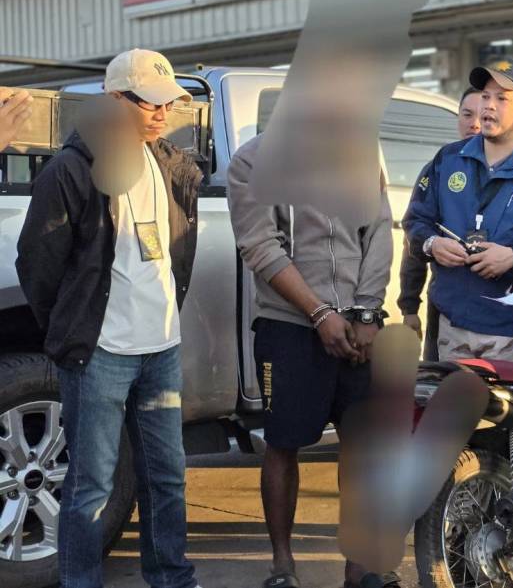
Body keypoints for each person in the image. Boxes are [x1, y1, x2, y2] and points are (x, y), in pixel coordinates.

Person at [17, 49, 202, 588]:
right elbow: (37, 262)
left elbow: (175, 253)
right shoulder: (72, 169)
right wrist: (73, 329)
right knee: (91, 488)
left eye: (168, 103)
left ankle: (172, 578)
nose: (162, 112)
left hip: (161, 350)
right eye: (150, 102)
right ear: (114, 98)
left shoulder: (169, 162)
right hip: (100, 354)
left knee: (167, 479)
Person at [227, 133, 396, 588]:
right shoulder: (252, 161)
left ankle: (359, 566)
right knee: (284, 443)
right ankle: (283, 564)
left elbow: (379, 229)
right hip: (290, 327)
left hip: (358, 326)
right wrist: (319, 313)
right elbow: (261, 247)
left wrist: (366, 311)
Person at [403, 60, 513, 365]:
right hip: (452, 326)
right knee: (453, 398)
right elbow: (416, 221)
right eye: (486, 96)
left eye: (502, 98)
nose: (488, 105)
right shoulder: (448, 159)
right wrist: (432, 244)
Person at [399, 87, 482, 361]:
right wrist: (409, 306)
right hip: (445, 304)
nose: (475, 124)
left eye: (482, 116)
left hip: (501, 313)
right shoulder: (441, 167)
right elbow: (415, 237)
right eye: (467, 115)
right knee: (441, 380)